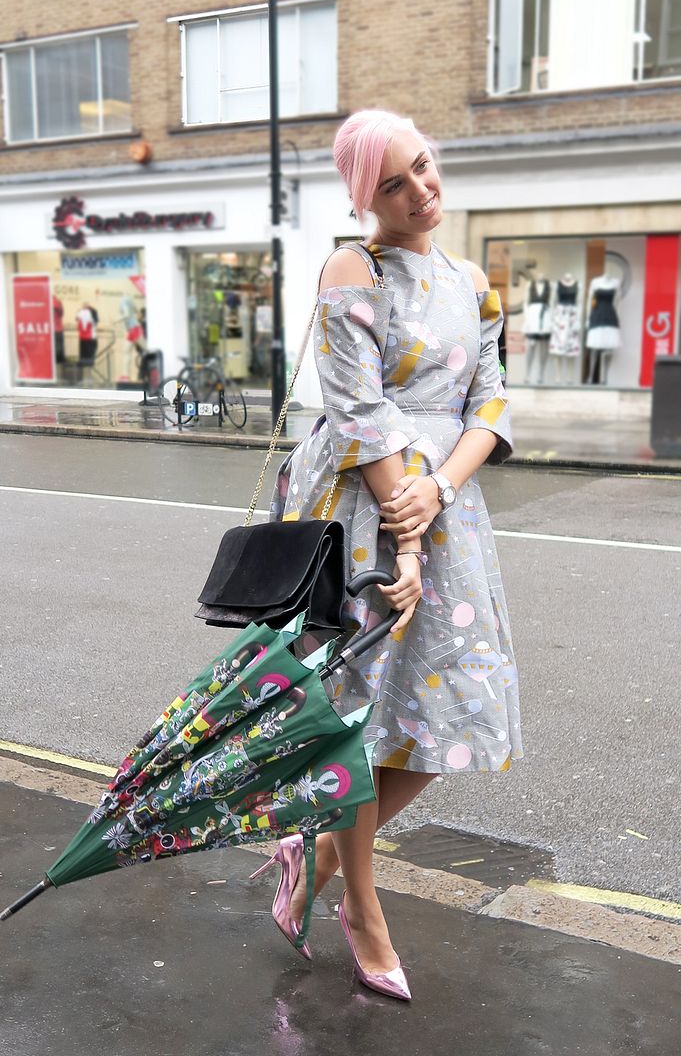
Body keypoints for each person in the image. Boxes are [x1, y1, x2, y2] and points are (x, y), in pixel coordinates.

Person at [261, 109, 523, 1000]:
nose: (420, 191)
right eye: (393, 184)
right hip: (367, 511)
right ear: (362, 197)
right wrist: (404, 532)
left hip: (444, 509)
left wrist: (439, 490)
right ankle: (362, 910)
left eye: (423, 167)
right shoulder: (353, 269)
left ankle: (315, 854)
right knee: (360, 716)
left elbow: (491, 404)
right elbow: (358, 411)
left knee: (446, 714)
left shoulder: (470, 280)